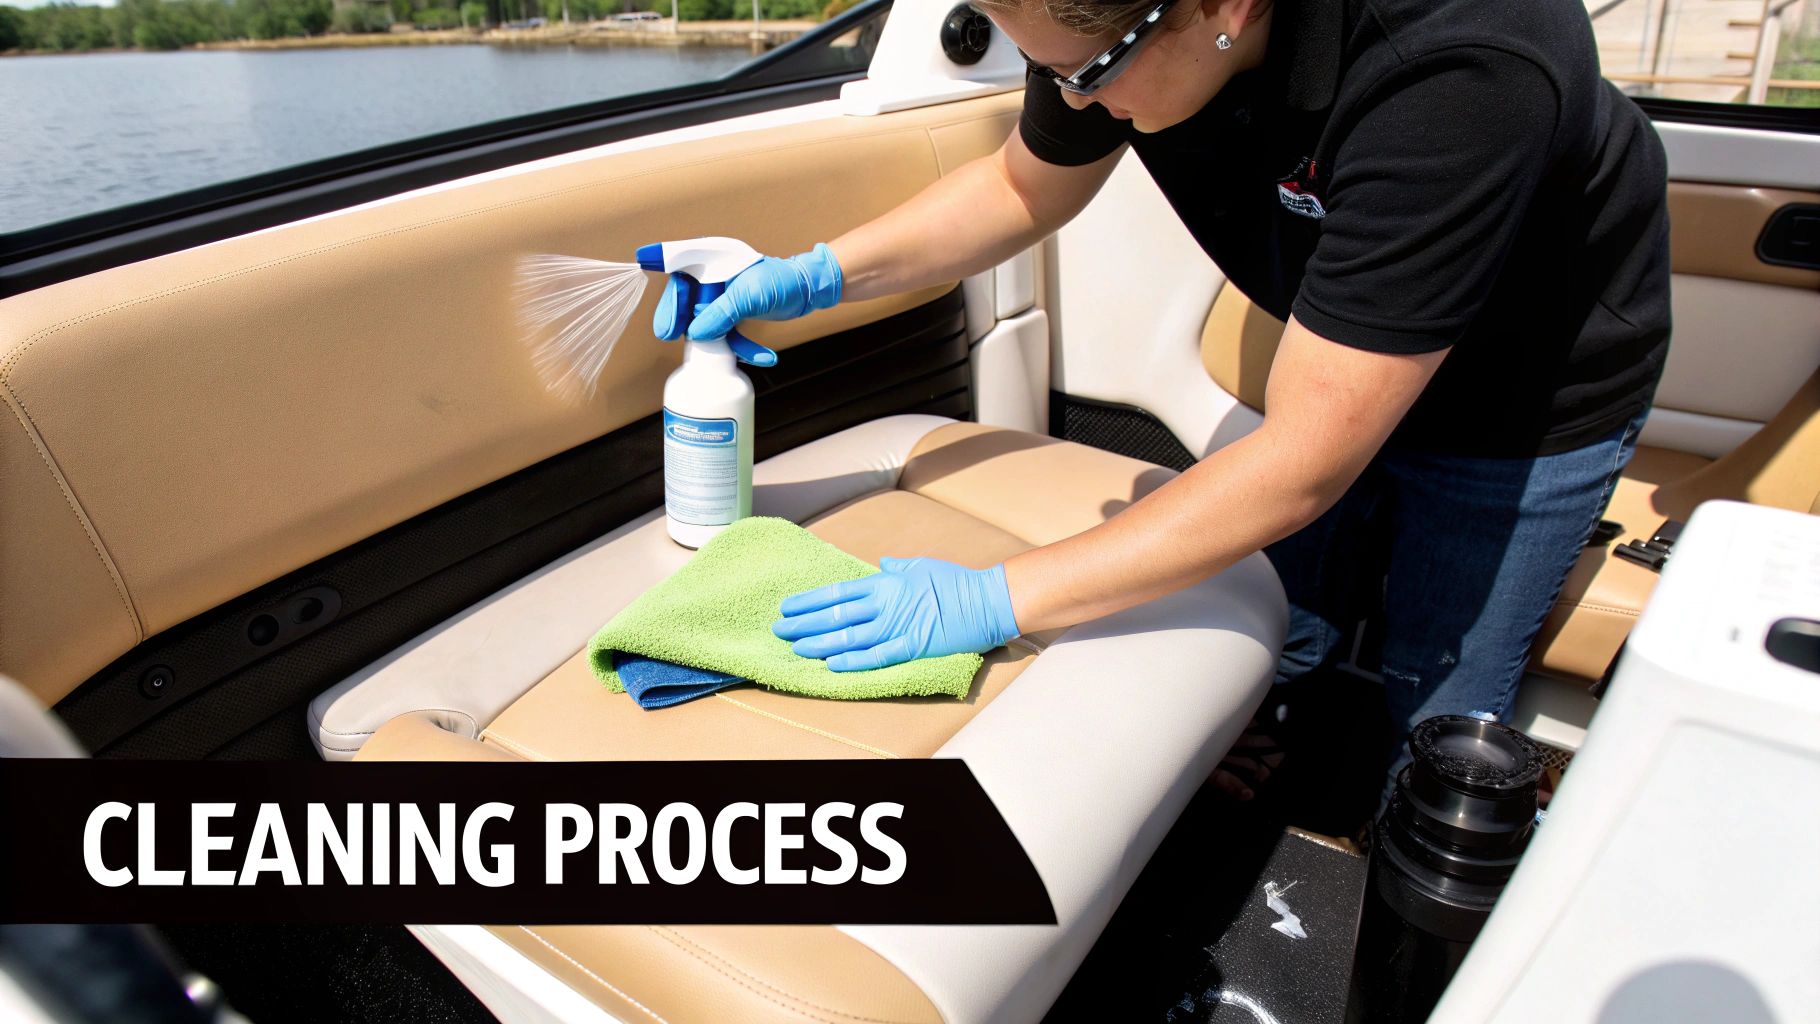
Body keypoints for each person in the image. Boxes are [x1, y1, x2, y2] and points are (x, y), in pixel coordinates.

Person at [655, 0, 1671, 793]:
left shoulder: (1463, 65)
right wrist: (813, 275)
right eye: (1049, 73)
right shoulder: (1105, 28)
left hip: (1523, 397)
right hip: (1336, 356)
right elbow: (1020, 186)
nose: (1074, 102)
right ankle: (1271, 752)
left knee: (1437, 719)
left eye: (1087, 75)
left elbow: (1302, 463)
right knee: (1285, 628)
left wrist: (989, 598)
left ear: (1224, 6)